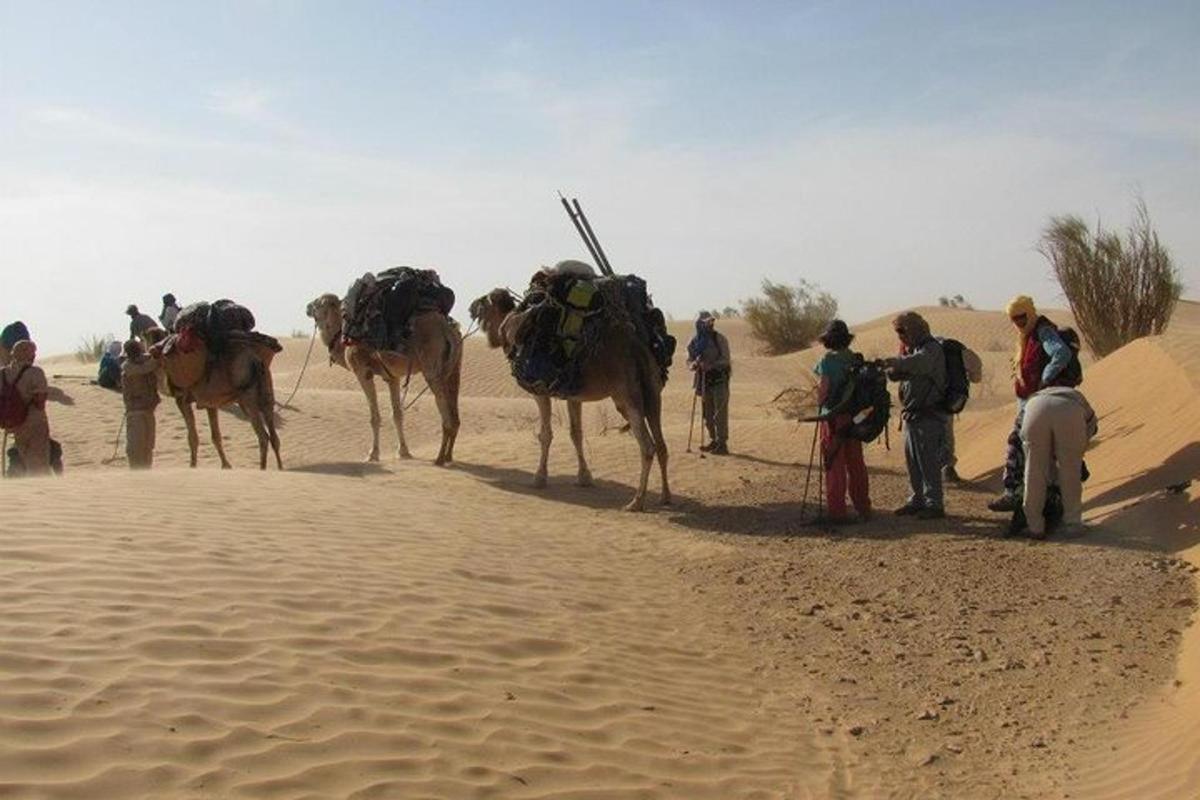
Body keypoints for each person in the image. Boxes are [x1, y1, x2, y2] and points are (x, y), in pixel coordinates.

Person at [988, 295, 1072, 512]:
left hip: (1038, 401)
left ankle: (1013, 493)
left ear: (1030, 312)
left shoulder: (1043, 331)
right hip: (1027, 400)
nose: (1018, 322)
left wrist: (1045, 379)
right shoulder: (1025, 337)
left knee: (1016, 443)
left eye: (1022, 317)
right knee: (1035, 450)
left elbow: (1061, 353)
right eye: (1014, 318)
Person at [882, 311, 947, 519]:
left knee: (928, 461)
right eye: (897, 332)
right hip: (912, 415)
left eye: (902, 330)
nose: (900, 335)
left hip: (929, 414)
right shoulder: (914, 349)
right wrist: (891, 370)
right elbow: (906, 371)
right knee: (913, 461)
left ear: (914, 328)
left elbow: (920, 364)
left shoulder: (931, 348)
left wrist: (896, 362)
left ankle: (934, 504)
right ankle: (916, 500)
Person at [1018, 386, 1098, 539]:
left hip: (1034, 409)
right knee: (1070, 472)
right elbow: (1091, 425)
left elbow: (1020, 430)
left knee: (1034, 472)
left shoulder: (1035, 396)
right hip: (1069, 410)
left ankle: (1034, 526)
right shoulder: (1078, 397)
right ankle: (1073, 524)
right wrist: (1077, 450)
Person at [813, 319, 871, 523]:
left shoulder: (827, 361)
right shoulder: (855, 359)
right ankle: (863, 507)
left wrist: (819, 404)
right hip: (855, 418)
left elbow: (823, 390)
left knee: (834, 462)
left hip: (833, 418)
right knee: (856, 463)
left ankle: (837, 511)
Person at [0, 340, 52, 475]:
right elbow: (40, 402)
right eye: (33, 352)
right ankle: (42, 492)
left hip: (14, 424)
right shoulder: (35, 372)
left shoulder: (3, 373)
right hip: (34, 422)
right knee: (38, 465)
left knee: (25, 459)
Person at [686, 311, 732, 455]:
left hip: (719, 380)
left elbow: (726, 360)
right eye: (706, 322)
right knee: (708, 415)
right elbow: (689, 359)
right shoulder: (695, 342)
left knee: (720, 414)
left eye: (711, 322)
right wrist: (693, 365)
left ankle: (722, 443)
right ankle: (714, 440)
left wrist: (711, 365)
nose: (710, 324)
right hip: (704, 382)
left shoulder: (719, 339)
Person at [941, 343, 982, 483]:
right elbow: (976, 377)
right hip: (949, 398)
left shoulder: (921, 348)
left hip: (924, 399)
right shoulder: (957, 349)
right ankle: (947, 467)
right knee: (946, 431)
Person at [120, 338, 161, 469]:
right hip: (136, 412)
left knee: (148, 446)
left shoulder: (143, 361)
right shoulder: (128, 367)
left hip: (148, 410)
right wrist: (156, 358)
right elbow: (146, 368)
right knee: (136, 447)